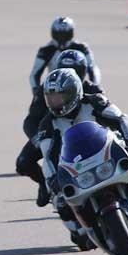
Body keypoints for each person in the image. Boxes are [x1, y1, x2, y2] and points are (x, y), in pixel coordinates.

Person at [32, 69, 128, 250]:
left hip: (109, 152)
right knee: (60, 200)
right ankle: (84, 230)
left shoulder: (95, 102)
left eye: (60, 96)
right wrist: (53, 180)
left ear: (74, 92)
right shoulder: (47, 124)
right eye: (51, 97)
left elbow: (123, 119)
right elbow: (48, 156)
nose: (55, 102)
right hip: (78, 166)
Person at [16, 49, 100, 206]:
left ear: (82, 71)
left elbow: (110, 117)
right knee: (23, 163)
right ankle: (45, 185)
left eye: (75, 71)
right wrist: (40, 140)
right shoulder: (47, 89)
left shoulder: (92, 89)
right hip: (52, 131)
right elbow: (30, 120)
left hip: (86, 134)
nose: (69, 75)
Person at [24, 17, 101, 139]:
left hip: (79, 88)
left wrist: (95, 86)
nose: (62, 38)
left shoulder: (82, 47)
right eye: (59, 34)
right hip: (54, 90)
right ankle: (45, 141)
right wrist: (38, 94)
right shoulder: (46, 50)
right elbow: (34, 74)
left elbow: (93, 68)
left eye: (65, 34)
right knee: (43, 117)